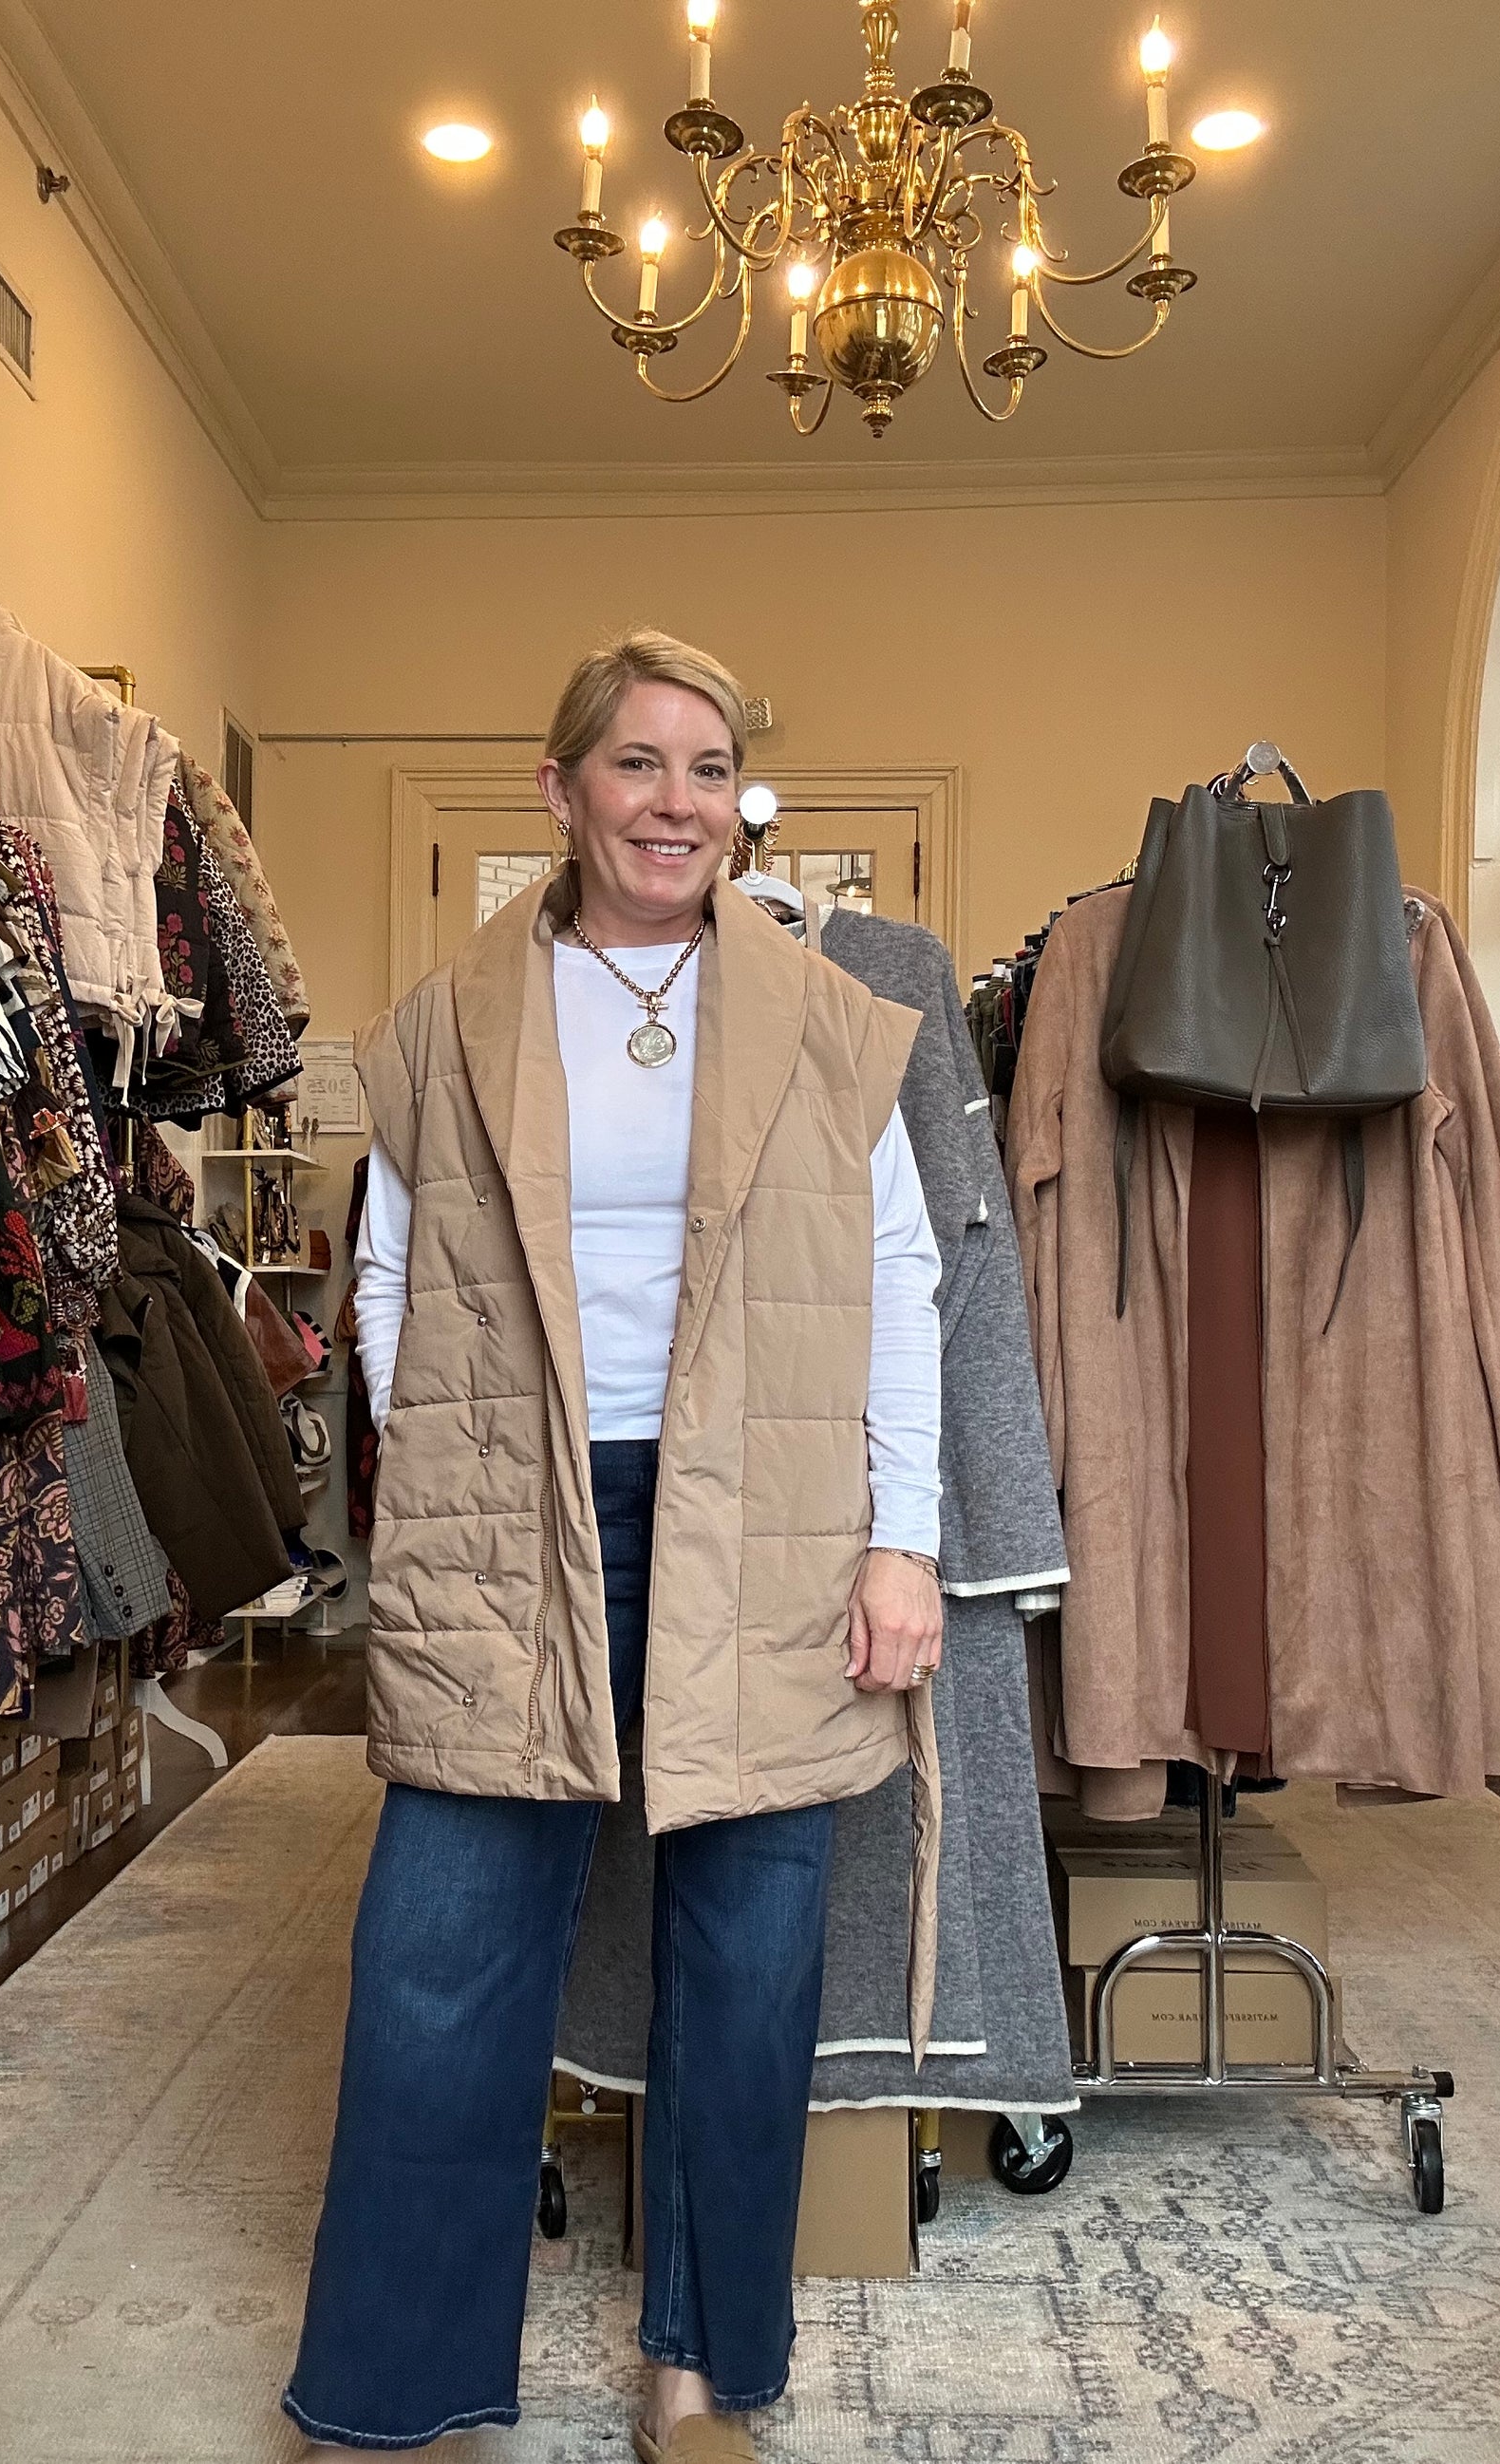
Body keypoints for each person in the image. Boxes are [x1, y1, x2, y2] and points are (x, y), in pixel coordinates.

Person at [284, 630, 945, 2462]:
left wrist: (907, 1544)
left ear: (743, 800)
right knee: (440, 1954)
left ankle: (702, 2372)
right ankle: (399, 2388)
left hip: (770, 1523)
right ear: (562, 790)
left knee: (746, 1963)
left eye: (709, 767)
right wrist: (438, 1482)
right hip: (520, 1517)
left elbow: (902, 1281)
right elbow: (396, 1288)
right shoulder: (446, 1021)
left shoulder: (826, 1015)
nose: (677, 801)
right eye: (639, 764)